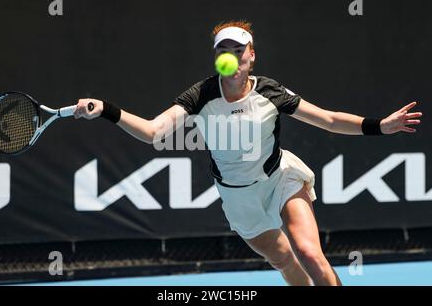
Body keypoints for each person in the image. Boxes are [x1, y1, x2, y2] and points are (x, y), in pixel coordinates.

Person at [74, 20, 422, 286]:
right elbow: (152, 133)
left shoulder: (269, 91)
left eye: (239, 49)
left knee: (308, 252)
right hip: (239, 197)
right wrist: (106, 109)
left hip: (280, 178)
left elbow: (329, 120)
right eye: (224, 50)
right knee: (284, 259)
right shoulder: (201, 96)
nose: (232, 56)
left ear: (251, 54)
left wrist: (380, 125)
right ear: (217, 58)